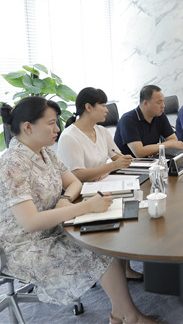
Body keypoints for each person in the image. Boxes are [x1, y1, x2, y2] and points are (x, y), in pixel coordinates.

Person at [0, 97, 163, 324]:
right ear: (28, 127)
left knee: (105, 236)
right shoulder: (12, 164)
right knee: (98, 251)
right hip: (18, 245)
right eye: (51, 123)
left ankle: (119, 314)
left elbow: (74, 182)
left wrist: (65, 199)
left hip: (53, 226)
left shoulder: (45, 153)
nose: (57, 129)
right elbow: (30, 222)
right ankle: (131, 317)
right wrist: (85, 206)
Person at [57, 87, 142, 281]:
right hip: (81, 196)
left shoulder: (102, 131)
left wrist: (116, 164)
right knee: (121, 210)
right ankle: (115, 268)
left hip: (103, 186)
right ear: (88, 107)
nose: (107, 109)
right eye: (103, 105)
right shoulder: (70, 137)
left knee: (132, 205)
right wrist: (109, 167)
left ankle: (124, 266)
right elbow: (77, 175)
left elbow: (117, 157)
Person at [114, 85, 183, 157]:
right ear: (146, 103)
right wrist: (166, 145)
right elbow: (139, 153)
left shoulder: (159, 115)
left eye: (163, 101)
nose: (163, 105)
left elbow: (173, 140)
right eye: (159, 102)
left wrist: (153, 150)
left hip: (151, 160)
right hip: (131, 162)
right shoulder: (128, 120)